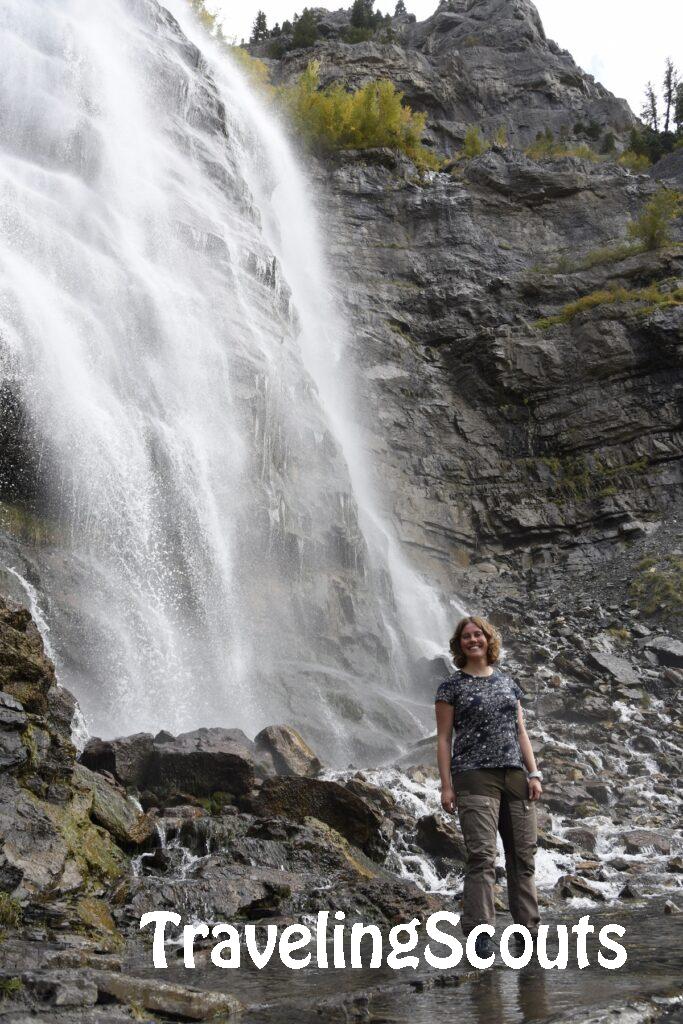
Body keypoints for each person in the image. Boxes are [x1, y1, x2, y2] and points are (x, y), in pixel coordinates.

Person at [435, 615, 542, 958]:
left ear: (488, 639)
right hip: (474, 776)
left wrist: (534, 773)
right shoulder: (451, 687)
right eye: (466, 636)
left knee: (522, 857)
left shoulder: (508, 682)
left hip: (514, 776)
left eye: (477, 634)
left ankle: (528, 933)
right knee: (482, 857)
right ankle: (481, 935)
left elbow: (520, 731)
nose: (472, 640)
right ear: (459, 644)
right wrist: (446, 786)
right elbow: (443, 738)